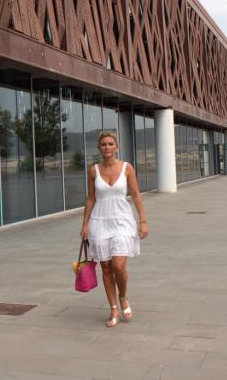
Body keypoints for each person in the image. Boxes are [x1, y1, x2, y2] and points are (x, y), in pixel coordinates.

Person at [80, 131, 148, 327]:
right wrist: (85, 224)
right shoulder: (93, 170)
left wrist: (143, 220)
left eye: (110, 144)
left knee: (118, 265)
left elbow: (135, 194)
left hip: (122, 221)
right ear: (99, 148)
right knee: (106, 268)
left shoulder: (127, 168)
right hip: (99, 221)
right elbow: (91, 198)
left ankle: (123, 296)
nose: (107, 147)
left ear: (116, 147)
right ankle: (113, 310)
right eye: (103, 144)